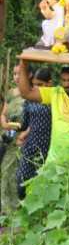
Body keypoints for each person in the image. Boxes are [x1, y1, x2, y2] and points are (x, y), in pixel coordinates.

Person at [15, 68, 52, 200]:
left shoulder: (55, 100)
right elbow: (24, 124)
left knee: (44, 184)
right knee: (21, 182)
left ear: (49, 83)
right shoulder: (30, 100)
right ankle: (23, 209)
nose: (37, 88)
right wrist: (13, 126)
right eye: (35, 85)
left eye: (41, 85)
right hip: (31, 145)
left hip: (50, 147)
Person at [1, 64, 25, 213]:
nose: (16, 77)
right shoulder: (11, 93)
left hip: (22, 138)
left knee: (16, 172)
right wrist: (4, 123)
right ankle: (5, 207)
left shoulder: (31, 94)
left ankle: (15, 208)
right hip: (7, 137)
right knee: (4, 171)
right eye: (14, 74)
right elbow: (3, 112)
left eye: (20, 74)